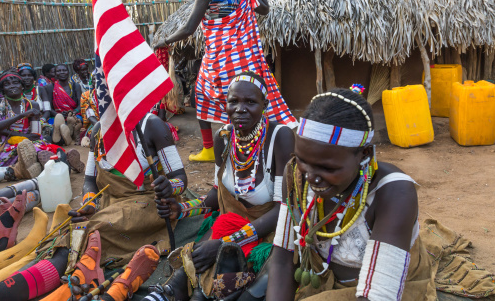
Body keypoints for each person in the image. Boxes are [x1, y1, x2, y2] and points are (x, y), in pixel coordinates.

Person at [266, 86, 429, 300]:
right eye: (303, 160)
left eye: (328, 168)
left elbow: (379, 295)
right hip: (323, 282)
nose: (311, 177)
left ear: (364, 154)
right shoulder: (295, 174)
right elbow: (283, 258)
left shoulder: (394, 192)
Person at [152, 71, 294, 301]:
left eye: (250, 102)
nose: (240, 108)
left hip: (267, 232)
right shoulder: (224, 137)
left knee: (240, 283)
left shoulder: (280, 137)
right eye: (233, 101)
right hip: (228, 224)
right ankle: (170, 292)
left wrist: (224, 244)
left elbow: (282, 211)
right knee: (196, 259)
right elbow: (218, 195)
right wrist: (182, 209)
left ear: (264, 104)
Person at [155, 0, 296, 163]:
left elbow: (189, 28)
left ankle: (217, 149)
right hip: (244, 58)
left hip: (219, 59)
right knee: (245, 101)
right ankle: (241, 148)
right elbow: (265, 9)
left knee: (204, 97)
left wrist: (163, 41)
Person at [38, 112, 187, 300]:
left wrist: (170, 187)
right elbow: (90, 181)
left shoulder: (152, 126)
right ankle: (60, 275)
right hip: (110, 203)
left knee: (94, 229)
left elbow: (180, 178)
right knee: (75, 228)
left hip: (148, 202)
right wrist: (90, 204)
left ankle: (79, 276)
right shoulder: (99, 131)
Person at [0, 71, 45, 179]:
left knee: (37, 149)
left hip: (27, 140)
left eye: (15, 83)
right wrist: (22, 115)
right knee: (16, 152)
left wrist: (4, 131)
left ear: (22, 86)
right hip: (2, 143)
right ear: (2, 89)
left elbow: (36, 135)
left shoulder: (33, 104)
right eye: (7, 84)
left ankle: (27, 168)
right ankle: (25, 169)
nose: (12, 86)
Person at [44, 64, 82, 145]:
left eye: (64, 70)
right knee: (53, 126)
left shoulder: (75, 86)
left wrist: (73, 112)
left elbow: (80, 105)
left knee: (78, 120)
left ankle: (67, 132)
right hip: (56, 116)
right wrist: (59, 115)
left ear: (68, 72)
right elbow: (48, 107)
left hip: (74, 115)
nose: (62, 72)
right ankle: (68, 133)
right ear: (55, 73)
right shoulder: (50, 87)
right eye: (59, 71)